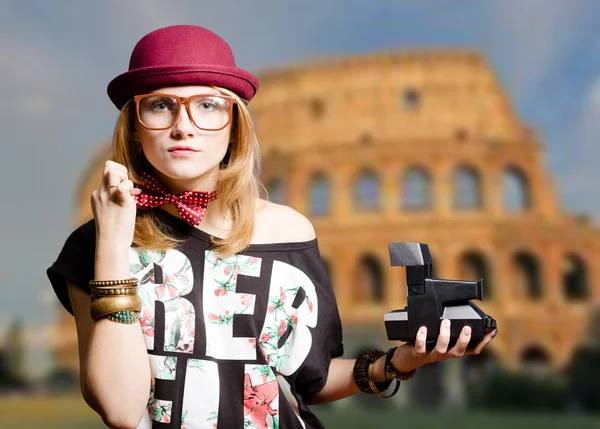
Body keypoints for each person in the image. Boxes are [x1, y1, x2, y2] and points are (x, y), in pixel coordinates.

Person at [46, 25, 497, 429]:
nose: (184, 127)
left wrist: (400, 361)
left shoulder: (288, 232)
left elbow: (310, 379)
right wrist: (112, 245)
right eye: (161, 106)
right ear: (135, 130)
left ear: (233, 128)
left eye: (208, 105)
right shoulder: (96, 244)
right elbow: (121, 410)